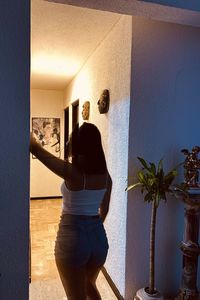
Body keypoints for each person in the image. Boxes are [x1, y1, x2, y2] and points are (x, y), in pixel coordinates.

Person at [30, 122, 112, 300]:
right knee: (88, 287)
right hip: (98, 240)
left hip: (73, 240)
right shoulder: (106, 177)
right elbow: (104, 210)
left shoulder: (73, 173)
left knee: (78, 295)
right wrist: (92, 227)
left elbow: (36, 150)